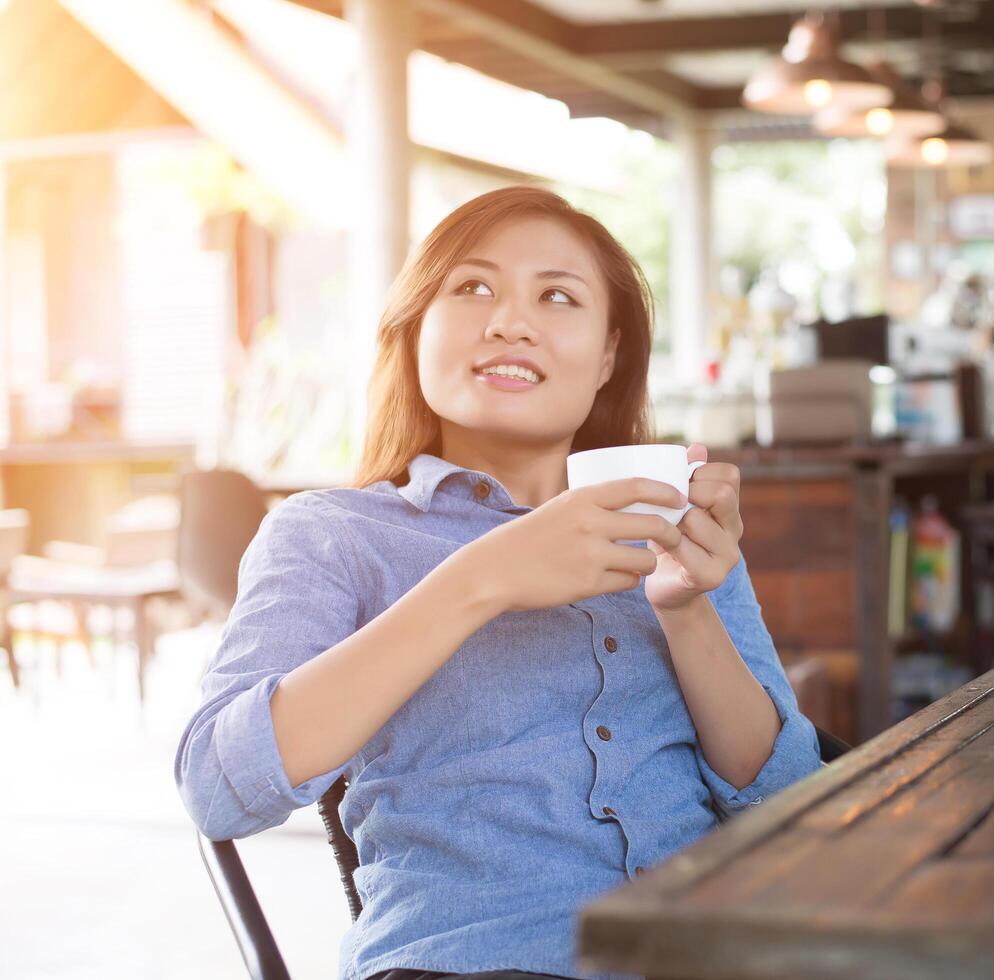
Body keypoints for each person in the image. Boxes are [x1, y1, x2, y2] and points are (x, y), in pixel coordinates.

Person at [175, 186, 822, 980]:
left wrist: (687, 611)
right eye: (472, 287)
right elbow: (217, 788)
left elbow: (793, 804)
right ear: (415, 330)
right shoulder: (329, 534)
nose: (510, 321)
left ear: (610, 356)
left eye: (557, 296)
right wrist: (479, 579)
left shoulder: (675, 522)